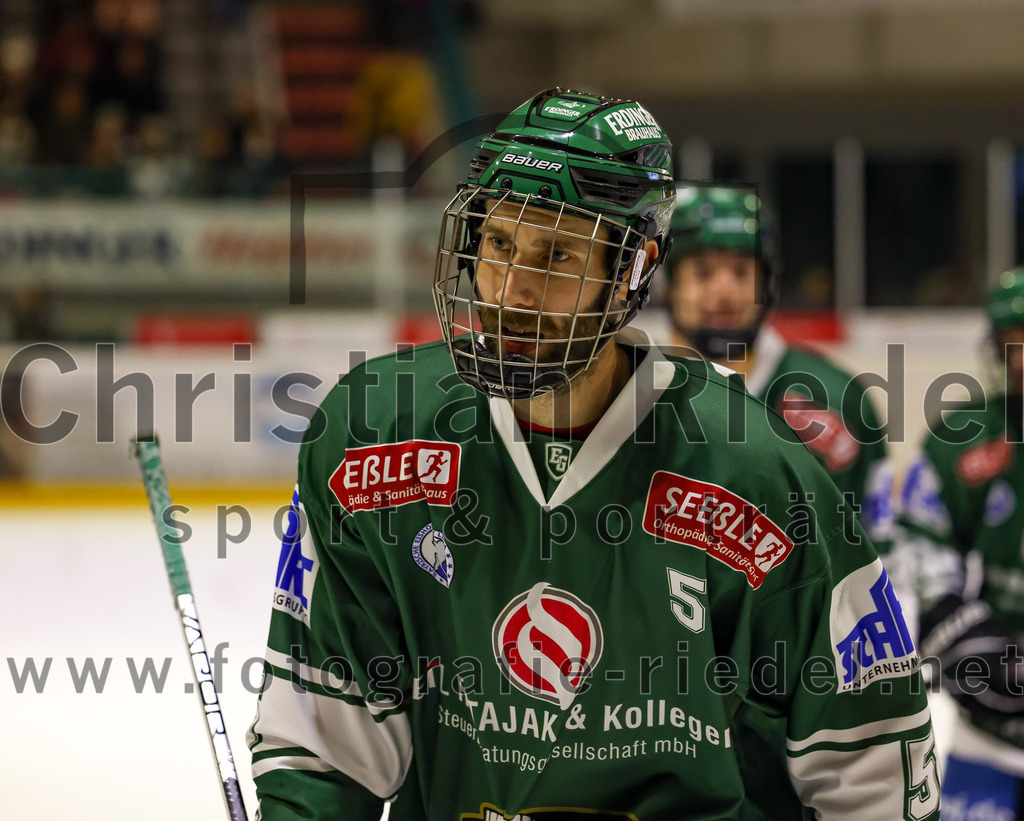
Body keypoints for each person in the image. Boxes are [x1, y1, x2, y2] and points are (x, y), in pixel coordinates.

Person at [249, 88, 938, 820]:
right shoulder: (375, 441)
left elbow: (875, 765)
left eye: (556, 254)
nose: (511, 291)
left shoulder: (756, 472)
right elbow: (324, 740)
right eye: (500, 243)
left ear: (632, 269)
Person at [900, 267, 1024, 818]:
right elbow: (910, 544)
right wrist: (959, 631)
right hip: (987, 731)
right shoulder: (966, 437)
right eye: (1013, 345)